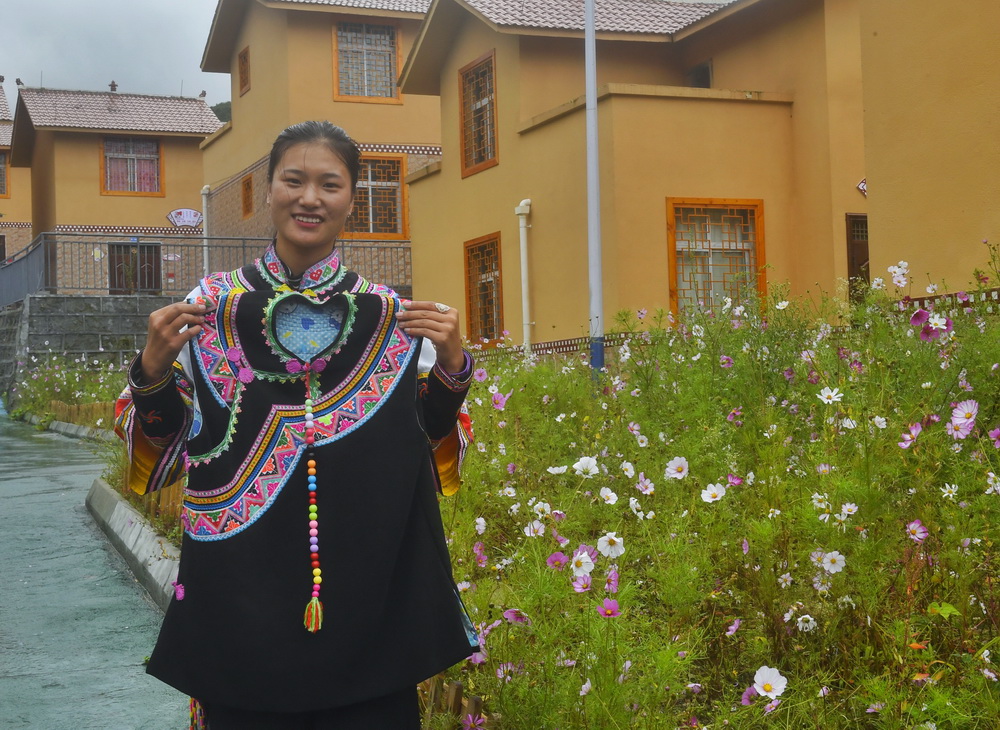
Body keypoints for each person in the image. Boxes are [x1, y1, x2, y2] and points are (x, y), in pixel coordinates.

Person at [115, 121, 478, 729]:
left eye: (329, 184)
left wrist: (452, 365)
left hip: (369, 603)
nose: (310, 197)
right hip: (241, 600)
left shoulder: (393, 318)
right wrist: (151, 369)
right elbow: (165, 455)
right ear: (268, 188)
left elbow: (430, 443)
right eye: (295, 179)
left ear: (351, 200)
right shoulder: (208, 312)